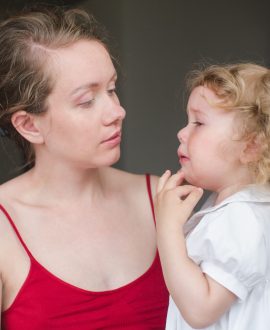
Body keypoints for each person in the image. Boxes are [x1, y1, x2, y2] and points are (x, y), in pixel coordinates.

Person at [0, 6, 169, 329]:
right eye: (86, 100)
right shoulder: (3, 228)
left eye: (111, 89)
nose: (116, 112)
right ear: (29, 125)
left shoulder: (161, 199)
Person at [155, 63, 270, 330]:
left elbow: (200, 310)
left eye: (199, 122)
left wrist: (167, 228)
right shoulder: (238, 210)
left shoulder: (240, 217)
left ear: (251, 146)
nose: (182, 133)